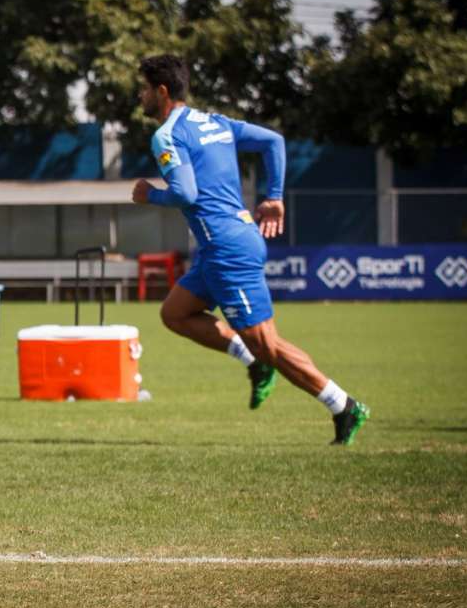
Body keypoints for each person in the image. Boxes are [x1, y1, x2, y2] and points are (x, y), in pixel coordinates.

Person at [131, 54, 370, 445]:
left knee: (269, 344)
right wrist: (273, 196)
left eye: (143, 88)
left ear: (161, 91)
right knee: (175, 313)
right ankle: (252, 362)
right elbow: (273, 141)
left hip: (228, 250)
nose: (139, 95)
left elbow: (186, 192)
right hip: (218, 248)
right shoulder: (216, 123)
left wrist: (151, 196)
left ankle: (343, 405)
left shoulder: (167, 135)